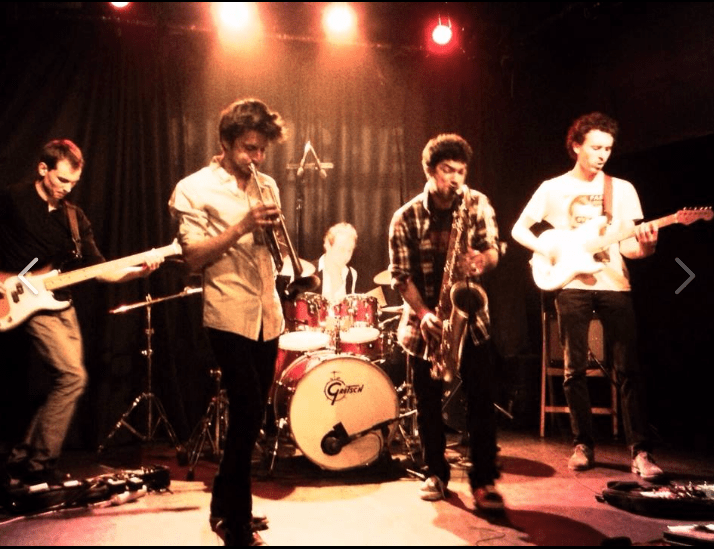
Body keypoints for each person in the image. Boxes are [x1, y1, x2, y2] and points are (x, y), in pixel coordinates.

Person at [0, 139, 163, 487]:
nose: (67, 188)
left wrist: (138, 272)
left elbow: (101, 270)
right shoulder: (13, 199)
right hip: (20, 297)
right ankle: (39, 464)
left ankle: (21, 459)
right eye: (62, 180)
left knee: (70, 379)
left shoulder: (73, 218)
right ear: (43, 169)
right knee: (72, 377)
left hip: (58, 300)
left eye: (73, 183)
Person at [511, 112, 664, 480]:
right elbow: (519, 229)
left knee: (629, 368)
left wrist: (648, 246)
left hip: (614, 283)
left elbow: (629, 248)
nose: (602, 155)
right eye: (595, 147)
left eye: (608, 148)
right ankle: (583, 444)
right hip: (572, 283)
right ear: (576, 145)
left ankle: (641, 452)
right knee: (573, 368)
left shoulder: (622, 189)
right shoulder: (552, 188)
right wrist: (550, 250)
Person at [169, 98, 287, 546]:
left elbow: (274, 249)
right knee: (247, 410)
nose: (257, 158)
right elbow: (192, 259)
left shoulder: (267, 185)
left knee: (251, 417)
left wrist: (278, 245)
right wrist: (241, 226)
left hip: (267, 311)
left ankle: (227, 505)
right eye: (248, 148)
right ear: (224, 142)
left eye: (262, 149)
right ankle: (234, 518)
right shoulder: (193, 189)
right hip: (228, 312)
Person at [388, 133, 506, 513]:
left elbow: (493, 250)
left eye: (460, 171)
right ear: (429, 170)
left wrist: (482, 261)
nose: (455, 179)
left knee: (481, 401)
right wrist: (425, 314)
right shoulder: (405, 217)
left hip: (470, 320)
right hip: (425, 319)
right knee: (427, 403)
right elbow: (400, 277)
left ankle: (483, 480)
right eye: (447, 170)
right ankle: (435, 473)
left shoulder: (476, 203)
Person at [313, 222, 358, 304]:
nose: (346, 255)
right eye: (341, 249)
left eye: (349, 250)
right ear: (327, 245)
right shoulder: (309, 271)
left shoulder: (352, 274)